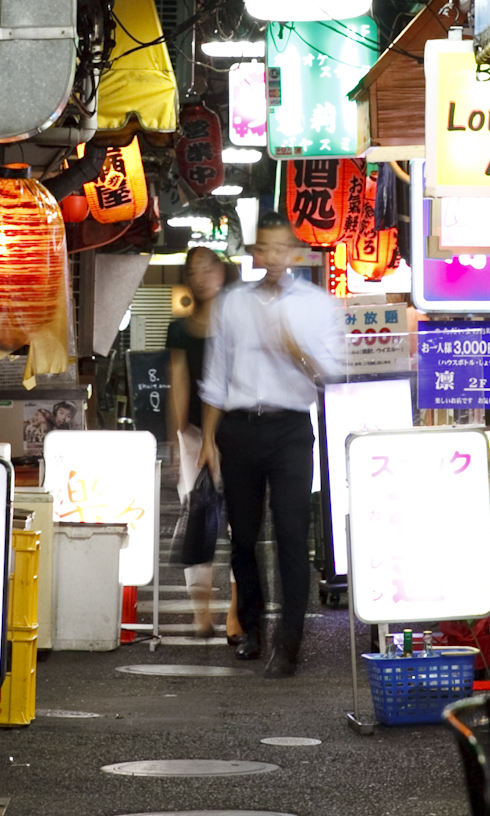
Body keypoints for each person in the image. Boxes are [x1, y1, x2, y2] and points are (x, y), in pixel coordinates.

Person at [200, 214, 347, 678]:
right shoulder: (233, 303)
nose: (275, 257)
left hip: (290, 430)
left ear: (295, 252)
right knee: (242, 537)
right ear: (256, 253)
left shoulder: (317, 304)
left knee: (290, 535)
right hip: (239, 429)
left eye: (284, 248)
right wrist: (208, 439)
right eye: (266, 248)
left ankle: (290, 643)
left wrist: (293, 349)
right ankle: (252, 631)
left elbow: (333, 373)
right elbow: (216, 377)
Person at [165, 247, 239, 636]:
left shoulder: (239, 324)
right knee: (199, 518)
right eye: (194, 270)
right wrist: (178, 440)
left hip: (240, 432)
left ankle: (234, 613)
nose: (202, 275)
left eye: (208, 267)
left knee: (240, 524)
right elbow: (178, 383)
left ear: (221, 273)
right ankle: (202, 612)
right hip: (195, 433)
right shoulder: (179, 329)